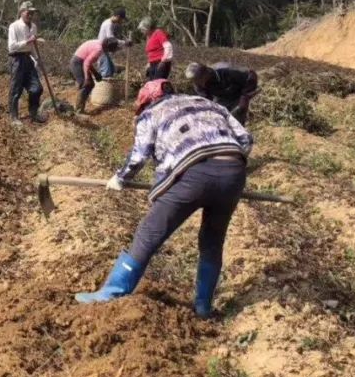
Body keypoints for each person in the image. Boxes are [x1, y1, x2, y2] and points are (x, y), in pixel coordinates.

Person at [75, 79, 253, 318]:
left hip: (193, 174)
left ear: (147, 101)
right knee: (212, 241)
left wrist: (120, 178)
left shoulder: (152, 113)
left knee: (149, 232)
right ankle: (203, 307)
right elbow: (245, 140)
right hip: (234, 172)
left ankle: (111, 293)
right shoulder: (209, 105)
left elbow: (139, 156)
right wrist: (224, 166)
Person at [6, 1, 45, 124]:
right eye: (29, 12)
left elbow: (32, 46)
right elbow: (12, 47)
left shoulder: (33, 27)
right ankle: (14, 117)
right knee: (16, 89)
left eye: (32, 13)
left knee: (37, 88)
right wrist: (27, 41)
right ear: (22, 12)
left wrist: (38, 59)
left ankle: (33, 112)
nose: (31, 15)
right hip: (16, 59)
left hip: (28, 59)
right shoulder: (14, 26)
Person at [185, 63, 258, 124]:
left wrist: (244, 96)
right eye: (195, 81)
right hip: (223, 98)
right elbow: (207, 100)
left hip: (240, 92)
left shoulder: (228, 71)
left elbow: (251, 75)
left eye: (199, 79)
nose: (198, 83)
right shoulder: (198, 85)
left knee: (241, 112)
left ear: (207, 72)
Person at [70, 36, 121, 114]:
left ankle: (79, 108)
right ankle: (78, 111)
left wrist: (95, 73)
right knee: (85, 85)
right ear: (108, 48)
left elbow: (87, 61)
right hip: (77, 63)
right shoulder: (99, 49)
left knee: (90, 84)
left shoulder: (99, 44)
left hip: (80, 62)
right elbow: (86, 63)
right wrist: (87, 78)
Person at [96, 7, 129, 78]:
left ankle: (106, 88)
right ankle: (103, 88)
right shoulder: (108, 24)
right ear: (118, 17)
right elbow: (111, 40)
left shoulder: (109, 23)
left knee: (111, 70)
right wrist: (125, 43)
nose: (121, 21)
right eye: (121, 19)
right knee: (106, 73)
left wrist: (123, 45)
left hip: (105, 51)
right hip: (102, 50)